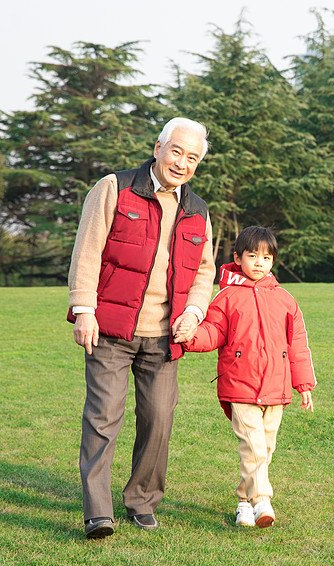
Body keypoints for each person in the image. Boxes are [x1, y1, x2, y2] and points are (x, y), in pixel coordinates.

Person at [68, 117, 216, 539]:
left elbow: (204, 272)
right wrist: (84, 309)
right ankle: (98, 512)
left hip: (165, 336)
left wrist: (194, 312)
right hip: (111, 329)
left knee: (158, 420)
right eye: (176, 152)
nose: (182, 163)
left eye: (192, 158)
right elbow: (88, 249)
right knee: (102, 418)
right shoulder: (115, 187)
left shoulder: (198, 210)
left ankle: (142, 501)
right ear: (157, 148)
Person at [180, 226, 316, 528]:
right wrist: (190, 336)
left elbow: (297, 344)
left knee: (265, 449)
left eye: (266, 257)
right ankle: (262, 500)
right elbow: (213, 331)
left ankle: (244, 502)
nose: (259, 263)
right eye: (252, 256)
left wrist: (303, 384)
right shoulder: (227, 297)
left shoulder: (285, 300)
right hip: (239, 386)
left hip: (276, 388)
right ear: (237, 257)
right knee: (252, 446)